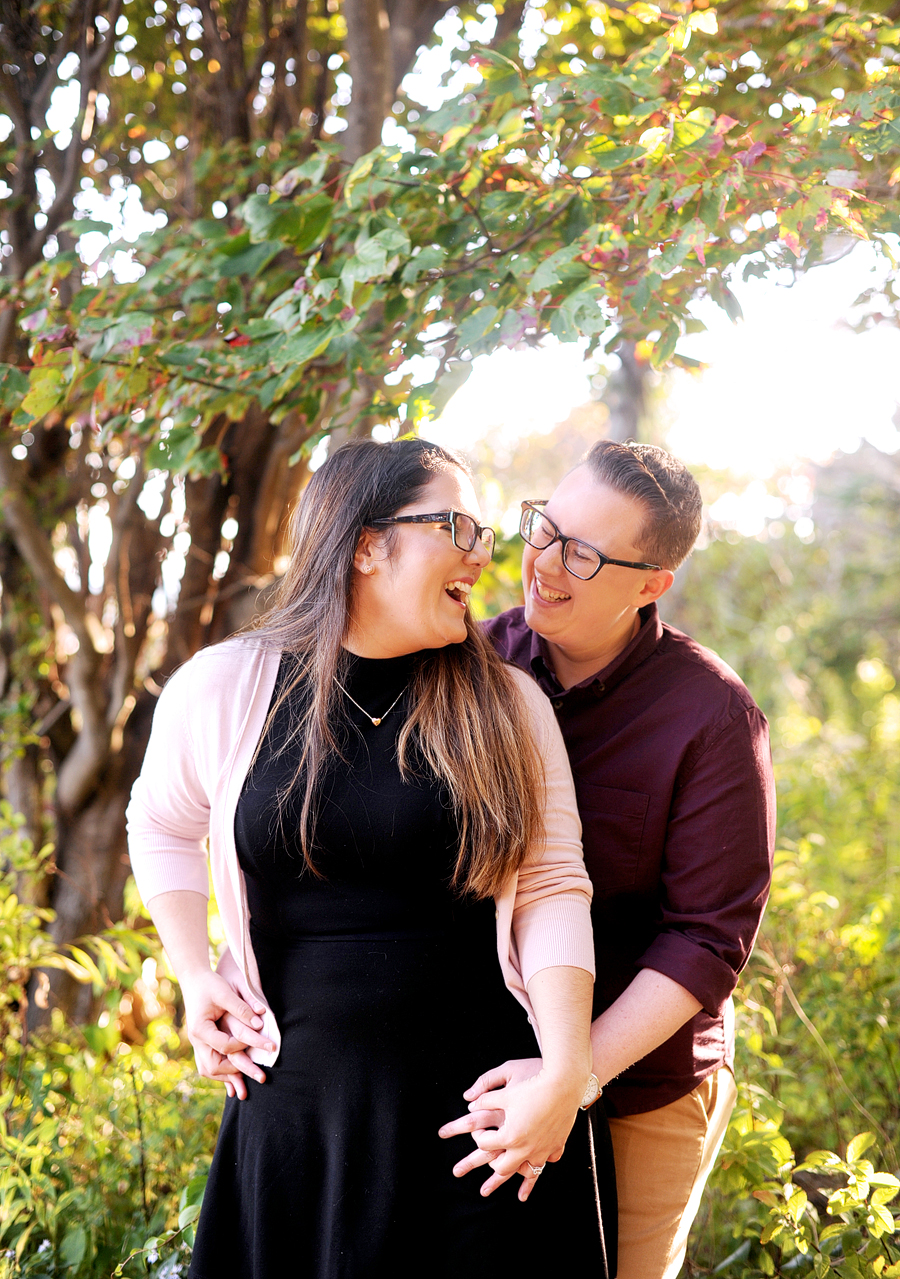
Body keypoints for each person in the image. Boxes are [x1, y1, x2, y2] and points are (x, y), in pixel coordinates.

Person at [126, 438, 613, 1279]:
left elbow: (552, 883)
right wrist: (193, 971)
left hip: (487, 1129)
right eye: (456, 523)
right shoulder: (223, 687)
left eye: (483, 528)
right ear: (363, 544)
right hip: (296, 1122)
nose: (482, 551)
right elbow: (161, 821)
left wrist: (565, 1075)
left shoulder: (509, 704)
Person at [445, 440, 776, 1279]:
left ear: (651, 583)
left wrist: (575, 1072)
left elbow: (706, 938)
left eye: (583, 554)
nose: (545, 565)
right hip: (481, 1075)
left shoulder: (712, 716)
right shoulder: (466, 667)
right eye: (544, 529)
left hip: (641, 1089)